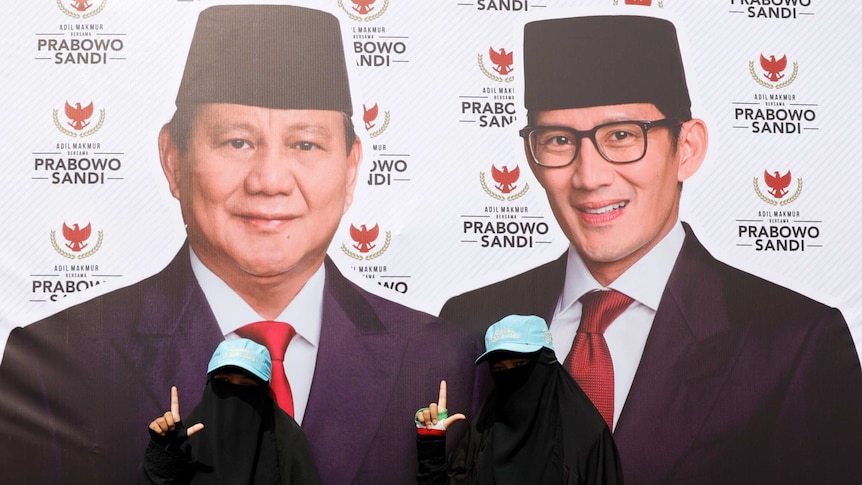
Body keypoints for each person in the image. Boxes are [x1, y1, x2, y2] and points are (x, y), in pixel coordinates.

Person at [0, 5, 485, 484]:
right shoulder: (57, 364)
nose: (270, 181)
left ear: (352, 168)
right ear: (173, 160)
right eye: (237, 142)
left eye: (306, 145)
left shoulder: (445, 363)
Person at [439, 15, 862, 484]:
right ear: (532, 159)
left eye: (621, 135)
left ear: (687, 147)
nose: (589, 176)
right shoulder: (470, 324)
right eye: (559, 140)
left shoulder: (791, 343)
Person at [415, 315, 622, 485]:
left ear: (547, 362)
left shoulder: (588, 436)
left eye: (521, 364)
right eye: (499, 369)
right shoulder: (483, 431)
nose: (510, 377)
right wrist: (431, 441)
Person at [139, 338, 321, 484]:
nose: (234, 394)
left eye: (247, 385)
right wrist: (164, 455)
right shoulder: (187, 437)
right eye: (224, 382)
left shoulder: (288, 441)